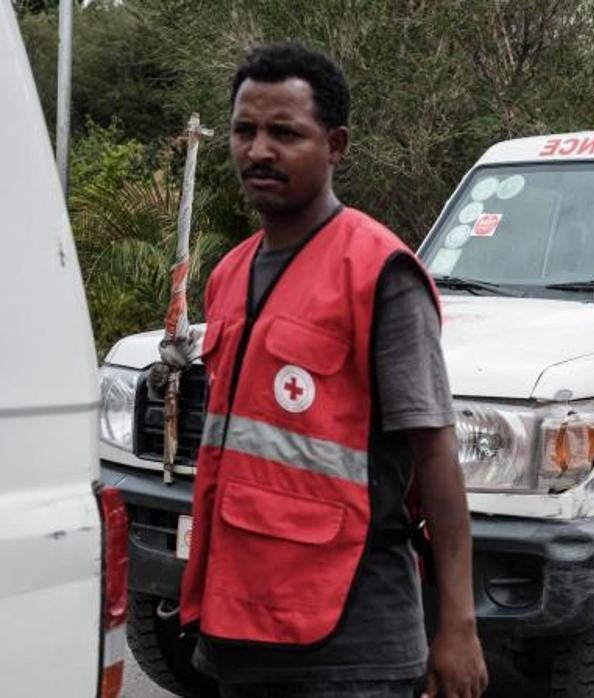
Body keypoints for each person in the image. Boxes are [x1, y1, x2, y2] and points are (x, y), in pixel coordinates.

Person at [178, 43, 487, 698]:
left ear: (336, 144)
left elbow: (435, 454)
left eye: (285, 133)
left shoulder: (380, 274)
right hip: (238, 624)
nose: (259, 150)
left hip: (352, 637)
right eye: (245, 131)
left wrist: (457, 623)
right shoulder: (229, 276)